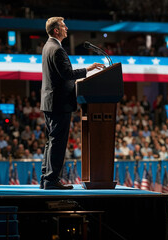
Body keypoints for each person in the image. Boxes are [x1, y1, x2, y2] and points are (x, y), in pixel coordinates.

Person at [40, 17, 104, 190]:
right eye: (63, 26)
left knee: (51, 141)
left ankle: (46, 178)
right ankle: (52, 180)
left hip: (51, 102)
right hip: (59, 103)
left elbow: (60, 76)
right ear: (56, 31)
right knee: (57, 142)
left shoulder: (48, 47)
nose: (66, 28)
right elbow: (67, 74)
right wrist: (88, 69)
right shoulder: (56, 49)